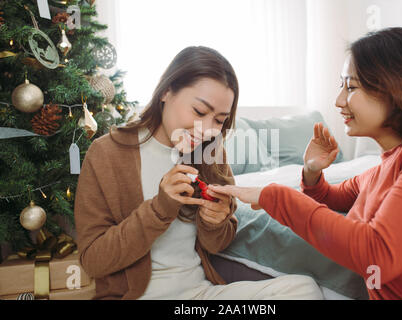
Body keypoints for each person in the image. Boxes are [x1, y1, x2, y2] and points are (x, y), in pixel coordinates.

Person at [209, 28, 402, 300]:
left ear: (397, 84)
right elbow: (329, 198)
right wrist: (312, 170)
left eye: (351, 86)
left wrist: (273, 195)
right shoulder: (379, 170)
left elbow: (378, 254)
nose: (338, 101)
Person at [74, 46, 323, 300]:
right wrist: (159, 209)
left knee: (304, 290)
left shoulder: (211, 152)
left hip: (198, 295)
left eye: (219, 120)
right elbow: (93, 260)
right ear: (166, 92)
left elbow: (218, 243)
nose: (207, 130)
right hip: (138, 296)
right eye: (200, 112)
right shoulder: (108, 152)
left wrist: (215, 222)